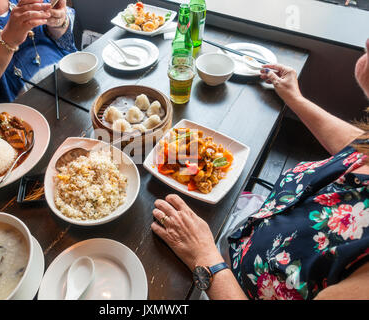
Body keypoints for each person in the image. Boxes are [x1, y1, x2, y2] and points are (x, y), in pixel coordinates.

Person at [151, 39, 369, 300]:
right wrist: (293, 96)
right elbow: (355, 146)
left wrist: (204, 255)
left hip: (218, 279)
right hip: (242, 236)